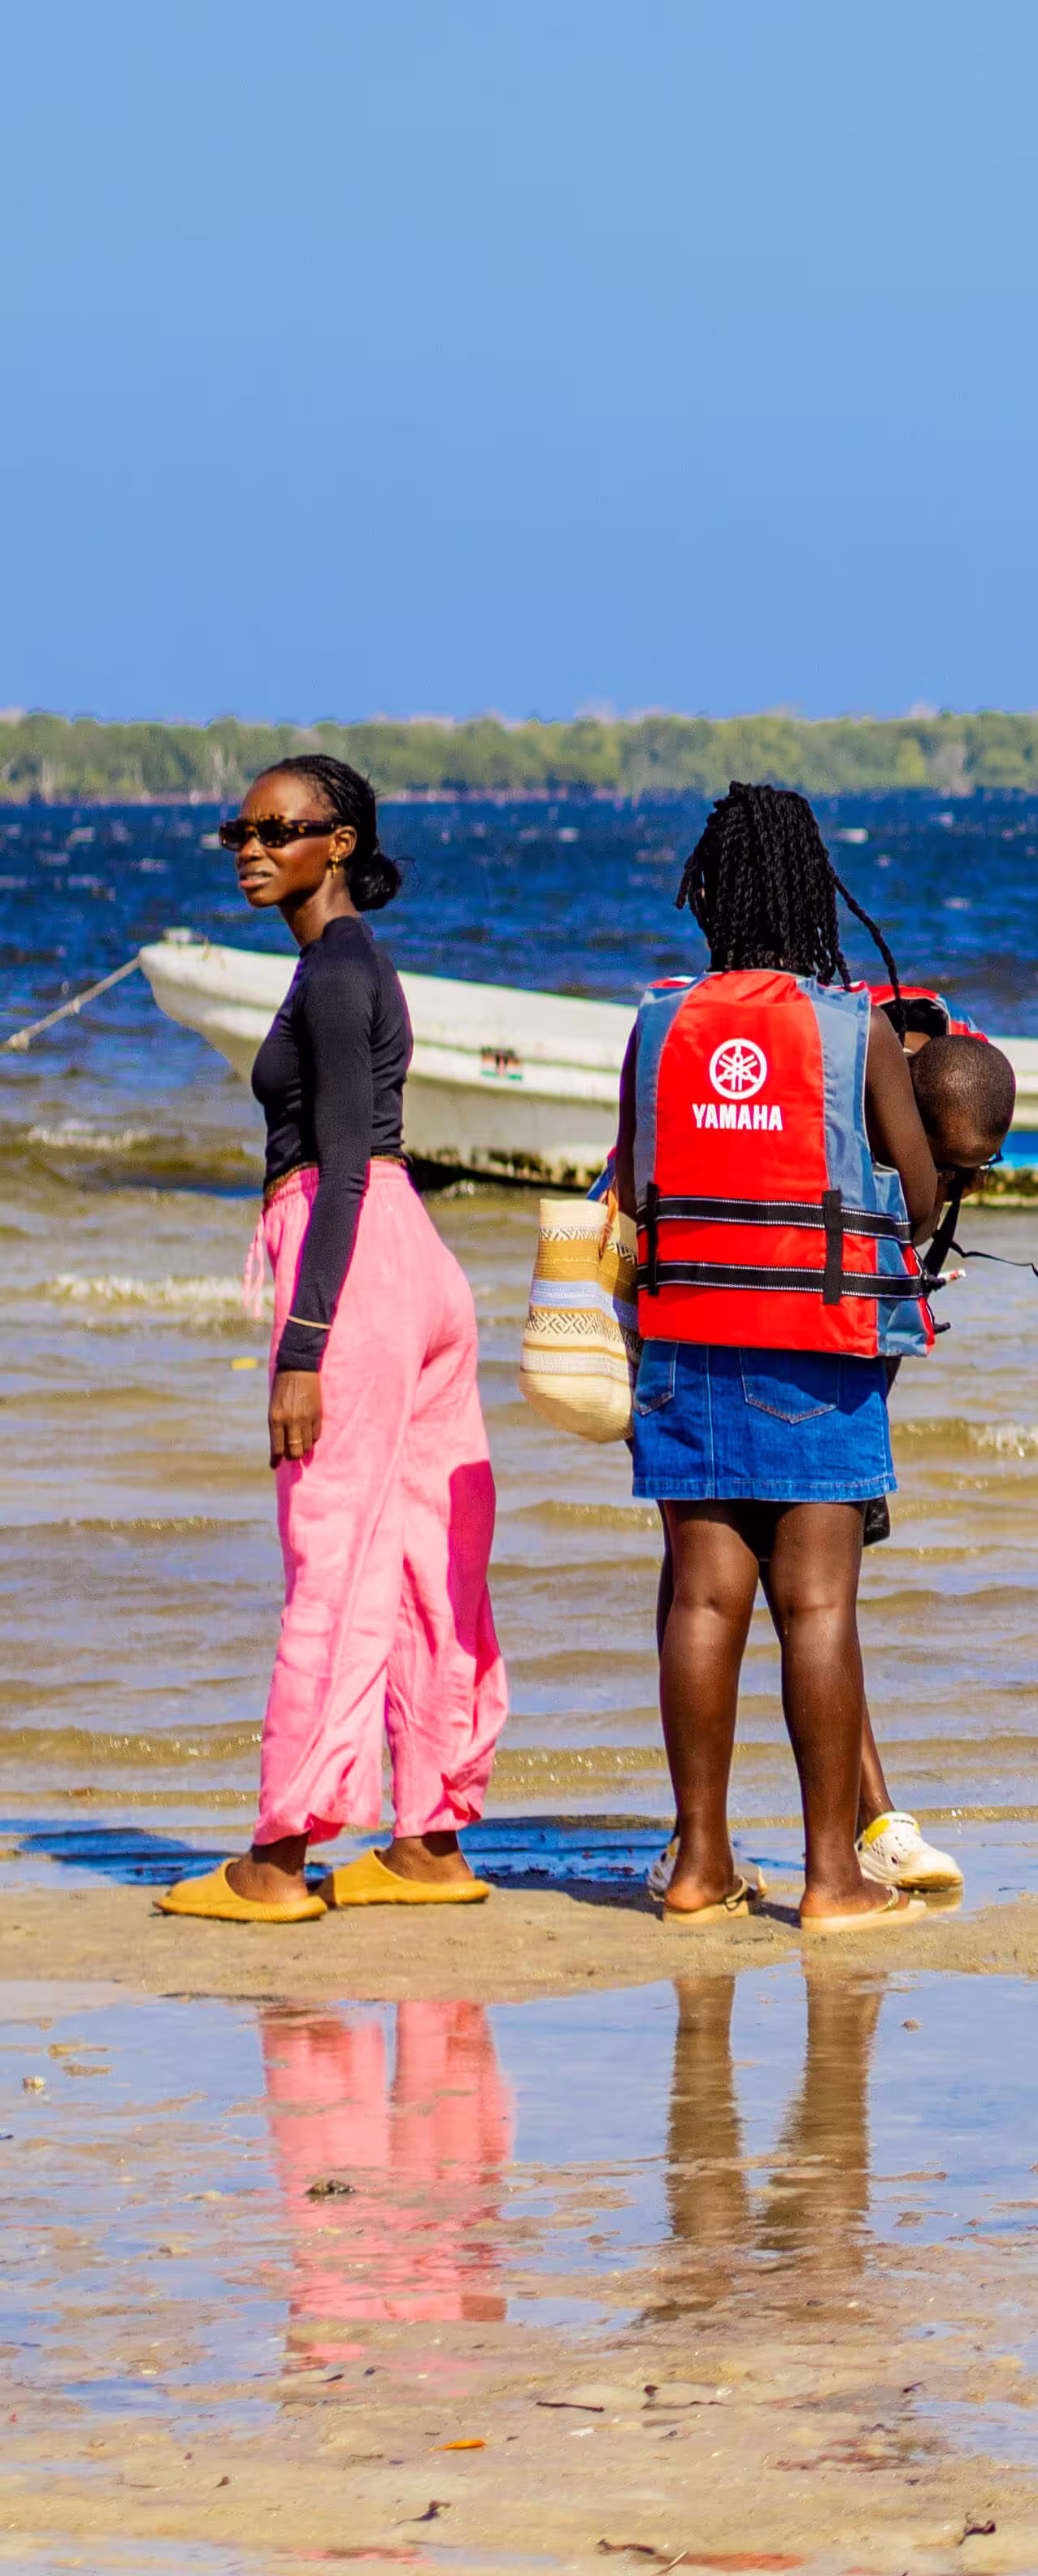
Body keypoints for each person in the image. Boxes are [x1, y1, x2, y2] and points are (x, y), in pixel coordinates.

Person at [159, 755, 508, 1925]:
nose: (252, 849)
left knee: (331, 1557)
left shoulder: (338, 971)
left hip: (353, 1264)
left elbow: (345, 1165)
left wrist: (304, 1346)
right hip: (412, 1269)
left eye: (278, 828)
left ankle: (278, 1858)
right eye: (239, 832)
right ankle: (430, 1843)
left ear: (340, 842)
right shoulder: (342, 965)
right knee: (423, 1563)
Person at [613, 782, 955, 1935]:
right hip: (817, 1345)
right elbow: (916, 1196)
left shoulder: (659, 1024)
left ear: (711, 895)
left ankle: (700, 1864)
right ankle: (832, 1879)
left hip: (681, 1347)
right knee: (816, 1608)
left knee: (703, 1601)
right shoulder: (852, 1029)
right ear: (815, 893)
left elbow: (631, 1181)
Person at [840, 1020, 1014, 1896]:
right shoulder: (853, 1130)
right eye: (948, 1169)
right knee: (777, 1596)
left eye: (976, 1175)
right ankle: (869, 1824)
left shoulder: (928, 1160)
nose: (955, 1190)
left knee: (822, 1601)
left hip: (850, 1370)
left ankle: (867, 1824)